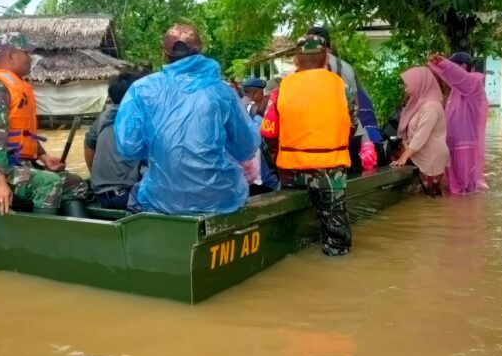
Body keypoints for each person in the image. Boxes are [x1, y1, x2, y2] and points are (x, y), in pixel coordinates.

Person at [114, 24, 259, 214]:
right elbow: (246, 149)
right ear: (200, 52)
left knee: (138, 194)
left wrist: (161, 147)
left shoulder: (142, 89)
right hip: (221, 196)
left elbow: (128, 148)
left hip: (163, 197)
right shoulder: (222, 91)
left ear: (165, 55)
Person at [0, 33, 89, 216]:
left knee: (75, 183)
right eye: (27, 53)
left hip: (19, 165)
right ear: (11, 56)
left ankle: (79, 232)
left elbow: (22, 133)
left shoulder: (16, 87)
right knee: (48, 182)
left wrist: (44, 157)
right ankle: (39, 239)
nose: (31, 58)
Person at [261, 35, 358, 256]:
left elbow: (268, 132)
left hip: (291, 171)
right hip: (331, 172)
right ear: (326, 58)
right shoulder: (341, 87)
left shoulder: (282, 88)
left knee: (289, 234)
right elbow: (352, 124)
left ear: (296, 60)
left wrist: (278, 157)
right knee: (336, 238)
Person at [307, 25, 377, 173]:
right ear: (330, 45)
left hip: (322, 138)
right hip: (352, 133)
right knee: (352, 181)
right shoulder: (346, 67)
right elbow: (357, 102)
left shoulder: (305, 69)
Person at [428, 52, 489, 194]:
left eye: (453, 66)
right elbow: (454, 78)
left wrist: (441, 63)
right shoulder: (457, 90)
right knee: (453, 187)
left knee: (465, 189)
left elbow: (458, 76)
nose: (450, 73)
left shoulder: (474, 84)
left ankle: (466, 213)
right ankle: (456, 212)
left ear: (462, 66)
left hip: (466, 145)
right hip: (453, 143)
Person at [84, 71, 146, 209]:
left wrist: (95, 175)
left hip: (101, 194)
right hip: (126, 196)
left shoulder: (104, 116)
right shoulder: (140, 119)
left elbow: (89, 145)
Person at [391, 66, 450, 197]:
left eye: (407, 84)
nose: (404, 87)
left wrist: (403, 157)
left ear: (419, 84)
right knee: (424, 198)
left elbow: (420, 136)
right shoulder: (419, 104)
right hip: (419, 156)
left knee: (432, 200)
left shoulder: (431, 107)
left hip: (431, 160)